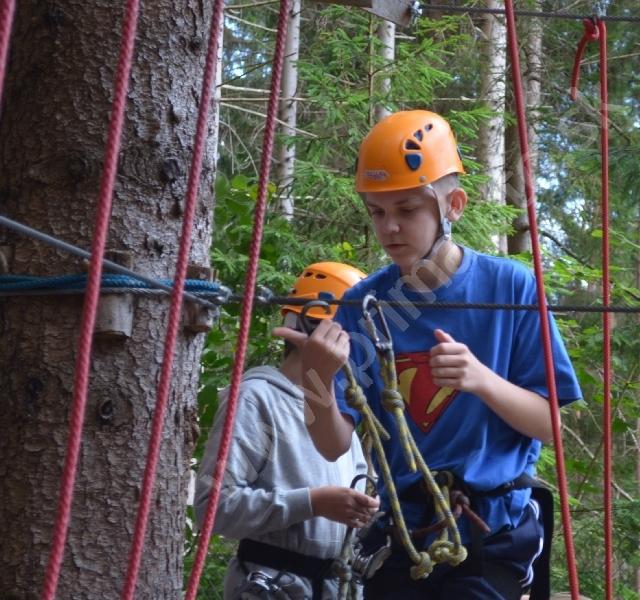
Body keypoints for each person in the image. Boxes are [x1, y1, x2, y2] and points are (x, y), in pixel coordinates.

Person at [278, 110, 583, 600]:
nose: (390, 228)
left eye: (408, 209)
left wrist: (480, 378)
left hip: (490, 534)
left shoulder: (510, 288)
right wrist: (316, 381)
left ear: (453, 205)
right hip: (404, 534)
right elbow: (334, 445)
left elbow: (550, 425)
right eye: (377, 212)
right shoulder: (364, 305)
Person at [194, 261, 380, 600]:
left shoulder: (340, 417)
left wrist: (365, 509)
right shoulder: (258, 399)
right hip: (270, 586)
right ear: (315, 326)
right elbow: (214, 509)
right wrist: (312, 503)